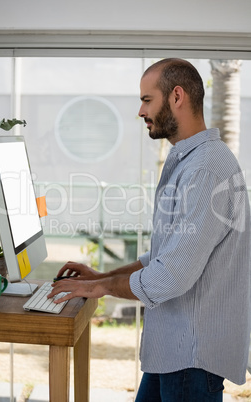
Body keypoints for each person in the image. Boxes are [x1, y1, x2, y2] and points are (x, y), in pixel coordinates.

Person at [48, 58, 251, 402]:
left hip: (190, 361)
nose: (140, 111)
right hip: (174, 353)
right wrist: (100, 277)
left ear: (176, 97)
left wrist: (100, 288)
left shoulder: (204, 169)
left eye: (146, 99)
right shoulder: (190, 160)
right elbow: (163, 256)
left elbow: (170, 276)